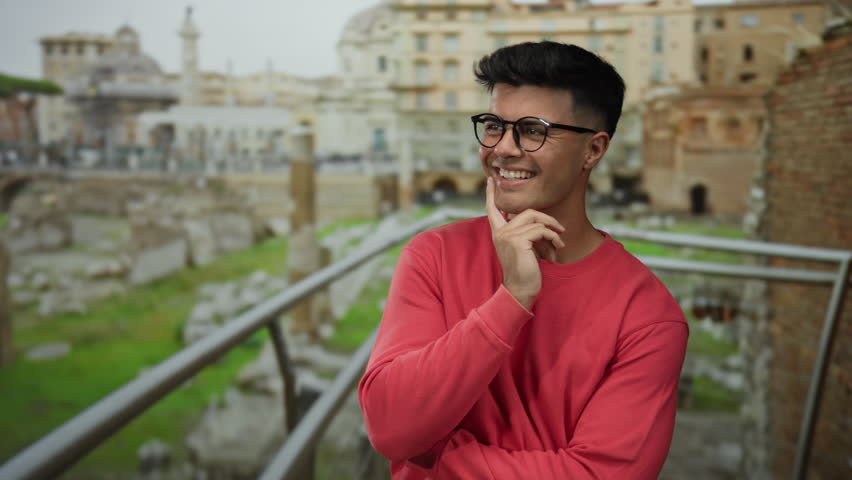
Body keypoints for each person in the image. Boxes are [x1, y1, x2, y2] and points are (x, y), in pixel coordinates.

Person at [358, 41, 688, 479]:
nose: (503, 148)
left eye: (533, 130)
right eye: (495, 125)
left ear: (593, 150)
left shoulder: (649, 317)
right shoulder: (433, 256)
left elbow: (598, 475)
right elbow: (390, 427)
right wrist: (511, 299)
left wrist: (436, 459)